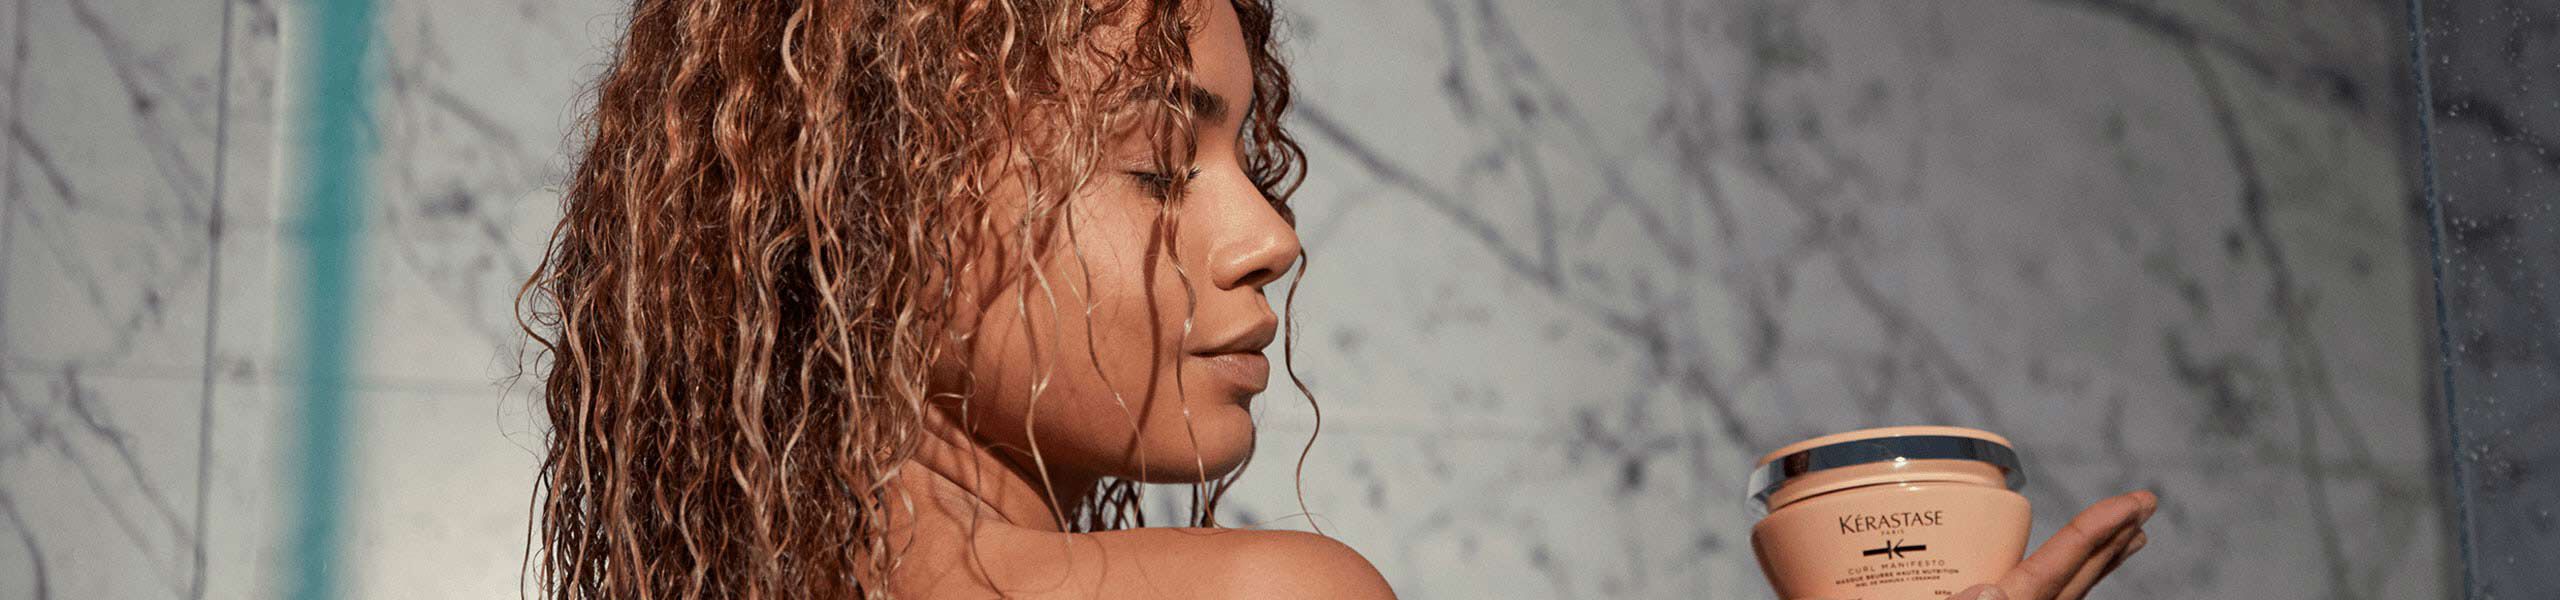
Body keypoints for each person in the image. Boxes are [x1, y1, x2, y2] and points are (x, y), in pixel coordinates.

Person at [518, 0, 2151, 597]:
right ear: (873, 205)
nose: (1267, 235)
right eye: (1158, 164)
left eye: (1251, 157)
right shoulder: (1270, 595)